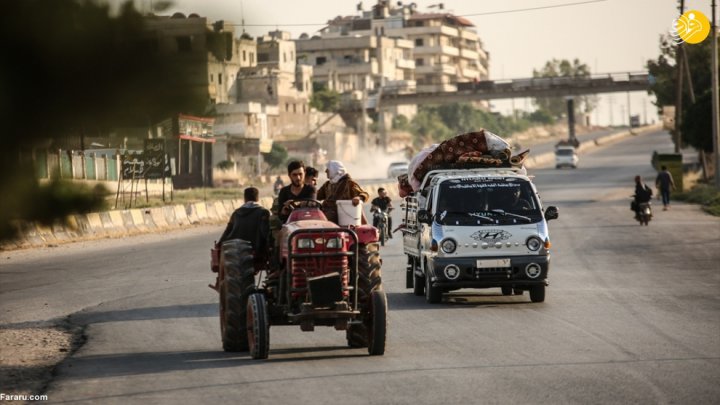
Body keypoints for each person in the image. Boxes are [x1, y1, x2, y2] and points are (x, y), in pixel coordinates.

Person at [218, 187, 271, 263]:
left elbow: (228, 230)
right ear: (257, 198)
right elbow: (265, 232)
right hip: (256, 249)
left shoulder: (236, 213)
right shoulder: (263, 212)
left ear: (245, 199)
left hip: (235, 248)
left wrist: (219, 243)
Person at [317, 160, 369, 224]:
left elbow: (364, 194)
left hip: (344, 216)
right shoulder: (327, 184)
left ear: (335, 170)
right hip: (327, 212)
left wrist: (358, 198)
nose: (326, 171)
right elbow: (317, 195)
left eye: (328, 169)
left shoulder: (349, 183)